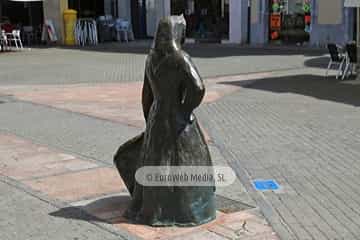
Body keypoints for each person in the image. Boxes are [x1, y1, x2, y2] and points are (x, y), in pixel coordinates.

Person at [114, 15, 216, 227]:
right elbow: (198, 88)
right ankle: (188, 212)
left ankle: (153, 210)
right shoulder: (181, 58)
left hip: (157, 115)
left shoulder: (151, 58)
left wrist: (151, 119)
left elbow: (146, 95)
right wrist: (186, 110)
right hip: (178, 117)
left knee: (156, 162)